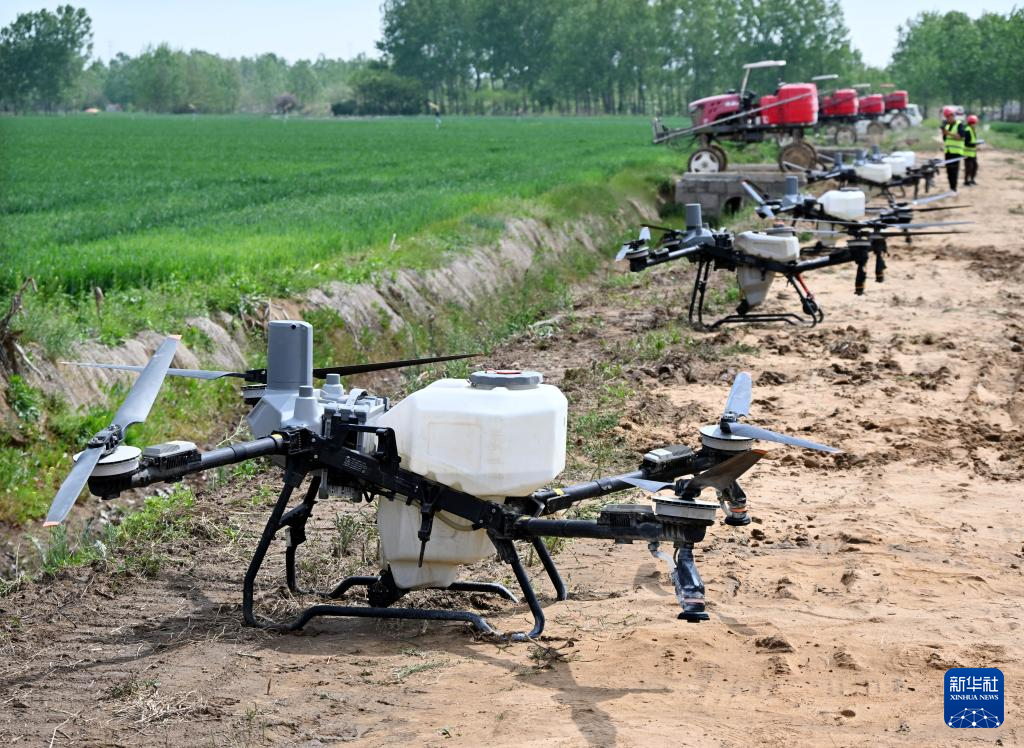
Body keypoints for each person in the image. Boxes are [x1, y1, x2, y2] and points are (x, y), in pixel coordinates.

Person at [940, 106, 966, 191]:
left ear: (953, 115)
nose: (948, 118)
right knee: (949, 171)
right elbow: (945, 139)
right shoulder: (947, 126)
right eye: (947, 117)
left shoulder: (959, 124)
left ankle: (954, 189)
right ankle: (951, 188)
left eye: (950, 116)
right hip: (948, 151)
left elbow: (960, 136)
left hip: (956, 152)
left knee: (954, 171)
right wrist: (944, 133)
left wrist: (948, 133)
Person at [963, 114, 979, 186]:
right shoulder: (967, 130)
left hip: (973, 153)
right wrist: (974, 144)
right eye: (975, 123)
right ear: (972, 123)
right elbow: (966, 143)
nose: (976, 125)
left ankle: (972, 180)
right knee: (969, 168)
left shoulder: (972, 130)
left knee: (975, 166)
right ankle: (966, 181)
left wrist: (975, 143)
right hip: (967, 153)